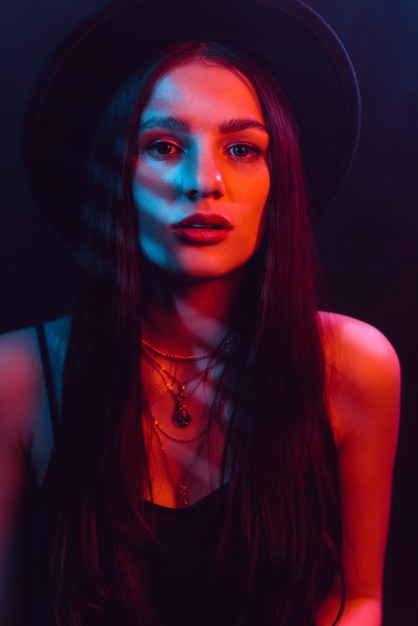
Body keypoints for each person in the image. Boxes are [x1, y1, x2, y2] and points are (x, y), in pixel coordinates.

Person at [0, 0, 400, 624]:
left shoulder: (353, 366)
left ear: (279, 176)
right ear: (115, 176)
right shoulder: (19, 376)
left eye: (242, 149)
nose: (204, 181)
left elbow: (359, 598)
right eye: (162, 145)